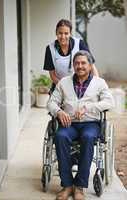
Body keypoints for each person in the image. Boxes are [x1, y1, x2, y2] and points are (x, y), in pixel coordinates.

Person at [47, 50, 114, 200]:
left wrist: (88, 108)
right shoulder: (64, 82)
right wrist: (58, 112)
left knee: (88, 137)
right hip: (69, 122)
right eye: (77, 63)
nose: (80, 66)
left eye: (84, 63)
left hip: (90, 123)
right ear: (73, 65)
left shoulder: (99, 83)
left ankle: (80, 186)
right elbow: (51, 102)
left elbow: (110, 102)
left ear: (90, 66)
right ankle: (67, 185)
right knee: (60, 136)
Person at [43, 19, 99, 93]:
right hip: (60, 85)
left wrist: (97, 85)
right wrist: (64, 88)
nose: (63, 36)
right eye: (60, 33)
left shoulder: (79, 44)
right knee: (52, 104)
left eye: (66, 33)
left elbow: (92, 66)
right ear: (56, 33)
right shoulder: (50, 49)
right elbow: (52, 75)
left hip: (81, 85)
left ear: (70, 34)